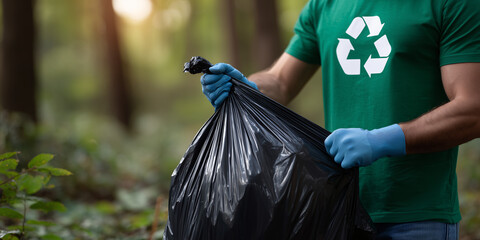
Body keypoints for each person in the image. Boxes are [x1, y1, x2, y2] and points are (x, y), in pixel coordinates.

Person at [199, 0, 480, 239]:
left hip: (417, 217)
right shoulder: (324, 5)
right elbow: (280, 80)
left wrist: (383, 140)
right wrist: (246, 88)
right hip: (335, 210)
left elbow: (473, 108)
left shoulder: (452, 3)